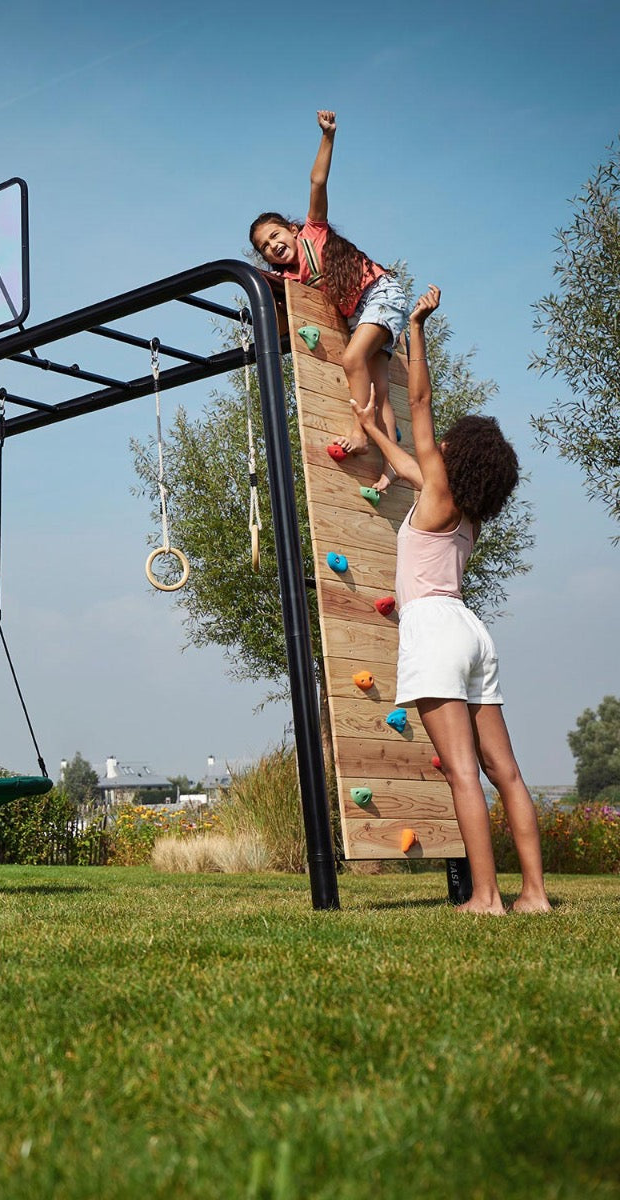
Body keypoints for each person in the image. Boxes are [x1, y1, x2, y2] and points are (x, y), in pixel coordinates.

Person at [350, 285, 551, 915]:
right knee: (505, 772)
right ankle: (535, 895)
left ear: (458, 455)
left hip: (435, 629)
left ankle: (485, 897)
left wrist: (415, 327)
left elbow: (419, 401)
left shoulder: (438, 484)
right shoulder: (468, 510)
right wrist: (372, 432)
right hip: (472, 631)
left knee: (463, 770)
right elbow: (412, 468)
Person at [250, 109, 409, 497]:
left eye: (276, 236)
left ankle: (361, 432)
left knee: (352, 359)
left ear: (292, 229)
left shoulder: (314, 234)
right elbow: (285, 319)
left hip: (381, 294)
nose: (273, 246)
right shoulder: (290, 280)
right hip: (359, 316)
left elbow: (317, 181)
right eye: (265, 247)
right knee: (380, 391)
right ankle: (393, 466)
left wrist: (328, 135)